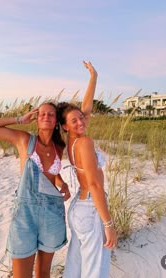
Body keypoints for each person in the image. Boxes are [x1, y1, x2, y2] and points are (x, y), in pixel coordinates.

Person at [0, 101, 71, 278]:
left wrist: (62, 183)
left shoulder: (58, 147)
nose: (46, 116)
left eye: (51, 114)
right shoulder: (24, 140)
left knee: (44, 272)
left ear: (56, 122)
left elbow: (51, 172)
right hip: (25, 214)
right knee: (22, 275)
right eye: (42, 113)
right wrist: (19, 119)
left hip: (52, 213)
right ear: (36, 119)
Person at [57, 61, 118, 278]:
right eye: (74, 120)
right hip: (90, 209)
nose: (82, 121)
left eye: (81, 117)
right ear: (65, 125)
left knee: (75, 267)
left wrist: (93, 77)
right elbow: (94, 184)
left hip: (77, 208)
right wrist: (108, 223)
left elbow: (86, 109)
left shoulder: (73, 141)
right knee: (95, 271)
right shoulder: (85, 143)